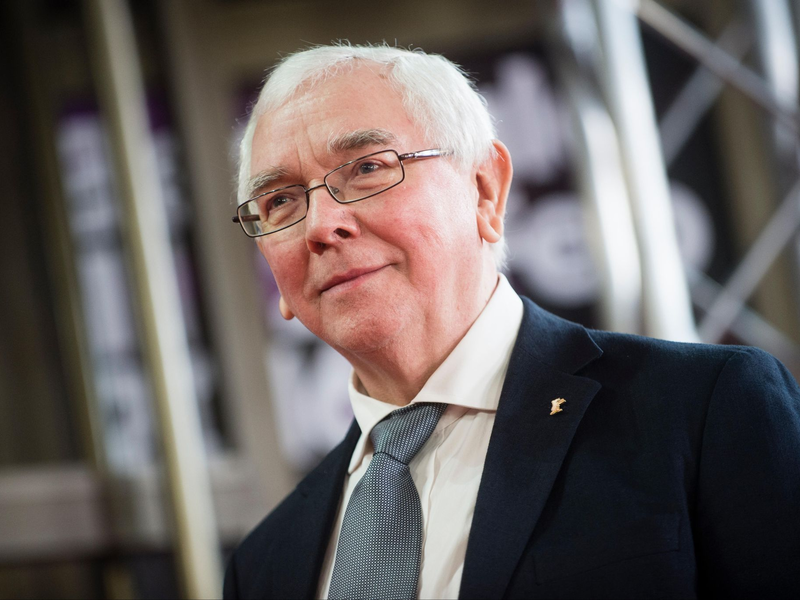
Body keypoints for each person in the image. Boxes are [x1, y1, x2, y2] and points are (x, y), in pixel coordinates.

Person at [223, 44, 800, 599]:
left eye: (369, 167)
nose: (322, 225)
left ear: (484, 190)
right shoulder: (265, 564)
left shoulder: (703, 411)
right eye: (279, 202)